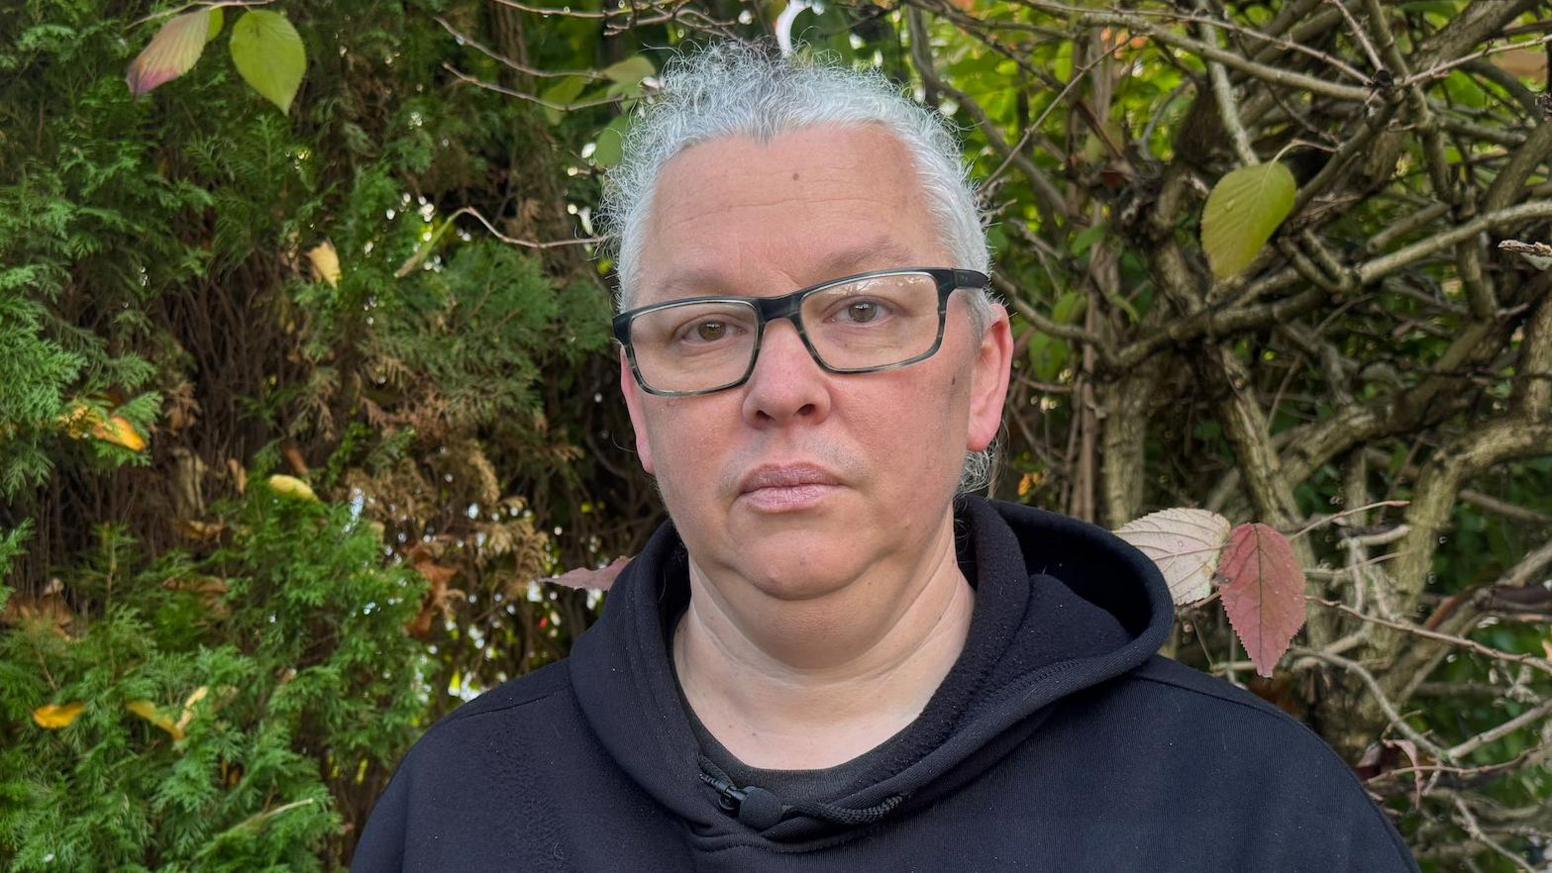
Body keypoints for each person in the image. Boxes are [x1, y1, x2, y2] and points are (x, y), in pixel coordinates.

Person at [352, 41, 1418, 872]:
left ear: (984, 372)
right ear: (638, 401)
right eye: (706, 327)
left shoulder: (1247, 816)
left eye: (860, 309)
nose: (781, 388)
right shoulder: (462, 812)